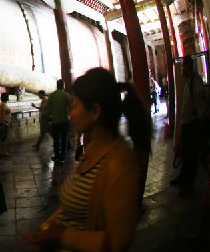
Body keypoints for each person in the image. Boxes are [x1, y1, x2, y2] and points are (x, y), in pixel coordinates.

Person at [24, 67, 152, 252]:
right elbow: (80, 202)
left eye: (74, 106)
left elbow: (118, 241)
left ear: (95, 111)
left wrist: (61, 235)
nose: (71, 113)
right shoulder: (92, 151)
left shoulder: (118, 164)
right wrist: (51, 225)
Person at [171, 56, 207, 196]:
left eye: (183, 66)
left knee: (191, 156)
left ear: (188, 66)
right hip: (186, 124)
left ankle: (188, 186)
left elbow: (203, 95)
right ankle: (182, 178)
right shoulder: (187, 83)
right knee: (186, 154)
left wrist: (198, 109)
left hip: (193, 124)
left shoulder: (195, 80)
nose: (181, 69)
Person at [48, 79, 71, 163]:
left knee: (56, 139)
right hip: (64, 120)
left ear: (56, 86)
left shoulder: (52, 95)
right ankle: (63, 157)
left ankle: (57, 155)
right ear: (63, 86)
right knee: (64, 139)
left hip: (55, 121)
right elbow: (70, 107)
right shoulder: (66, 95)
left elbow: (49, 108)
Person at [0, 92, 11, 156]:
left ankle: (1, 150)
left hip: (5, 123)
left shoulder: (4, 104)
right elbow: (1, 115)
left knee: (2, 138)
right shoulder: (3, 105)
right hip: (4, 124)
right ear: (6, 98)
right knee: (3, 138)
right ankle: (2, 151)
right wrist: (3, 123)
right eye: (8, 97)